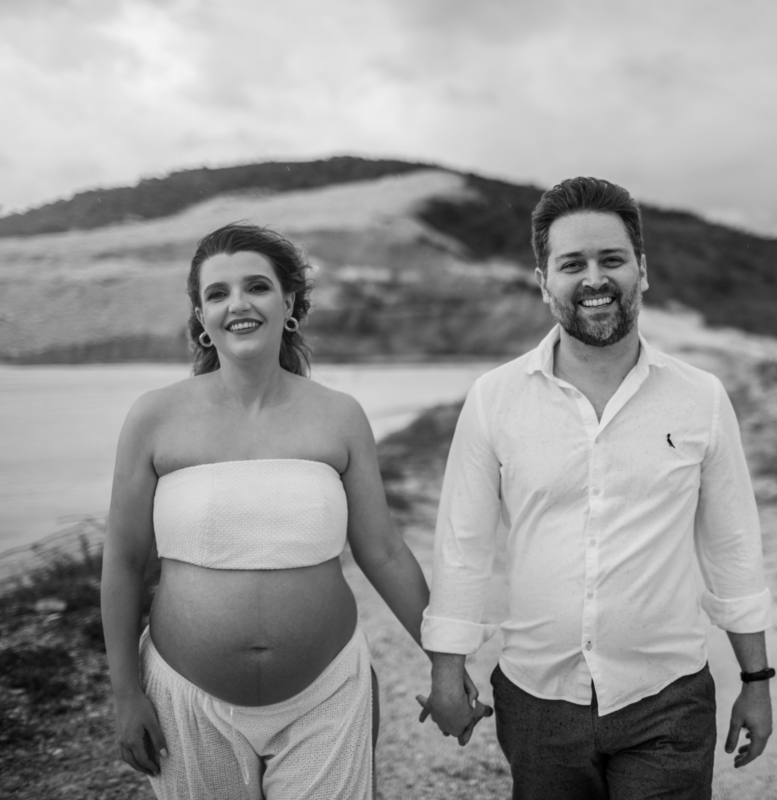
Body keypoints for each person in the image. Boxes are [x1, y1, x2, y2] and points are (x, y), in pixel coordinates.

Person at [101, 222, 488, 799]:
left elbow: (382, 551)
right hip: (185, 697)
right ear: (201, 320)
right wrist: (126, 695)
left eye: (257, 286)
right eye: (217, 293)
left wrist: (446, 668)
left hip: (327, 694)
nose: (238, 304)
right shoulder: (154, 417)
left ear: (289, 305)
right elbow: (125, 560)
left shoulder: (340, 416)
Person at [419, 177, 775, 798]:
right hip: (536, 698)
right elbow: (463, 545)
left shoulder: (701, 399)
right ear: (543, 280)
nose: (594, 278)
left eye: (611, 260)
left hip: (667, 697)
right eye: (572, 263)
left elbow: (733, 549)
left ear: (642, 270)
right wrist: (447, 670)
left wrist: (757, 679)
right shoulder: (494, 399)